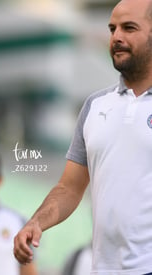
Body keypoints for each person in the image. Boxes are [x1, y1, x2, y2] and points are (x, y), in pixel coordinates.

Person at [13, 0, 152, 274]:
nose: (117, 37)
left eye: (129, 28)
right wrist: (36, 223)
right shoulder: (95, 105)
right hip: (102, 268)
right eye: (113, 29)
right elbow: (69, 188)